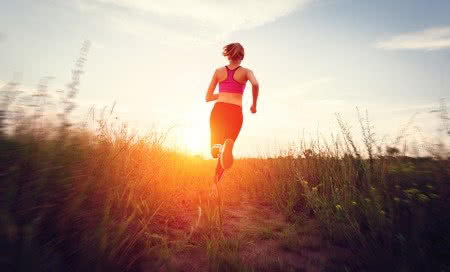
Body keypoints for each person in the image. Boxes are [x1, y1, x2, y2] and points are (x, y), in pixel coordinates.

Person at [205, 42, 259, 182]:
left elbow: (208, 97)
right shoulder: (247, 72)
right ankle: (216, 183)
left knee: (216, 148)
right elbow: (255, 84)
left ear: (227, 55)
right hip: (235, 112)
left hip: (219, 110)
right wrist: (253, 105)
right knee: (225, 153)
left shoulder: (218, 71)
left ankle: (216, 146)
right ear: (242, 56)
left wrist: (223, 93)